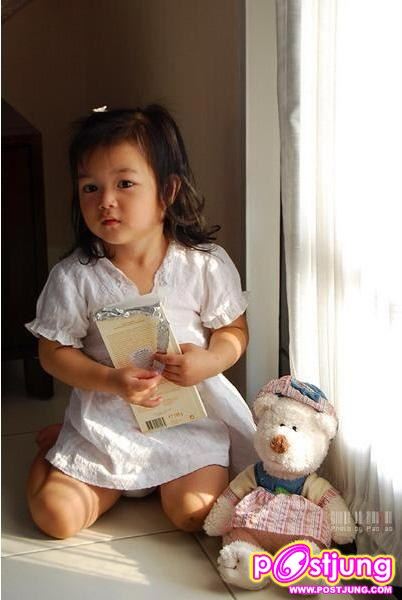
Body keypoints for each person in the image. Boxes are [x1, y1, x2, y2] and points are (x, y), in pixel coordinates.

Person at [26, 104, 257, 540]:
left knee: (196, 513)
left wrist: (209, 361)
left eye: (125, 184)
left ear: (167, 190)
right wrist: (109, 380)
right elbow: (53, 353)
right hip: (107, 424)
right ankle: (56, 449)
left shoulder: (203, 264)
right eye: (90, 187)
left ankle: (168, 476)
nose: (105, 201)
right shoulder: (76, 277)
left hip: (185, 420)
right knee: (55, 518)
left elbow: (234, 329)